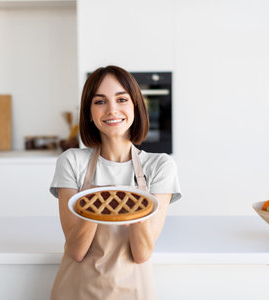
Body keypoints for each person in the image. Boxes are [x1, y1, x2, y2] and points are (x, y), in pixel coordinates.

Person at [49, 65, 181, 300]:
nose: (112, 110)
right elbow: (76, 250)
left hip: (133, 292)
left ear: (136, 108)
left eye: (122, 99)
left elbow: (141, 252)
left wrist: (105, 203)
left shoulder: (160, 166)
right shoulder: (71, 162)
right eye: (100, 102)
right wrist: (110, 203)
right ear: (89, 112)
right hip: (76, 291)